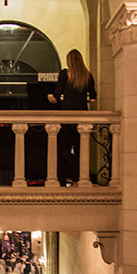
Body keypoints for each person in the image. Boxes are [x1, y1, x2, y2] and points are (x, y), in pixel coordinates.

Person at [47, 49, 97, 186]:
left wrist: (50, 97)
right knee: (81, 148)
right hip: (82, 117)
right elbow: (93, 98)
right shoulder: (87, 76)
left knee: (63, 148)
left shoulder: (65, 74)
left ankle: (65, 178)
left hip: (67, 115)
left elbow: (56, 96)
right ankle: (77, 179)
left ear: (69, 61)